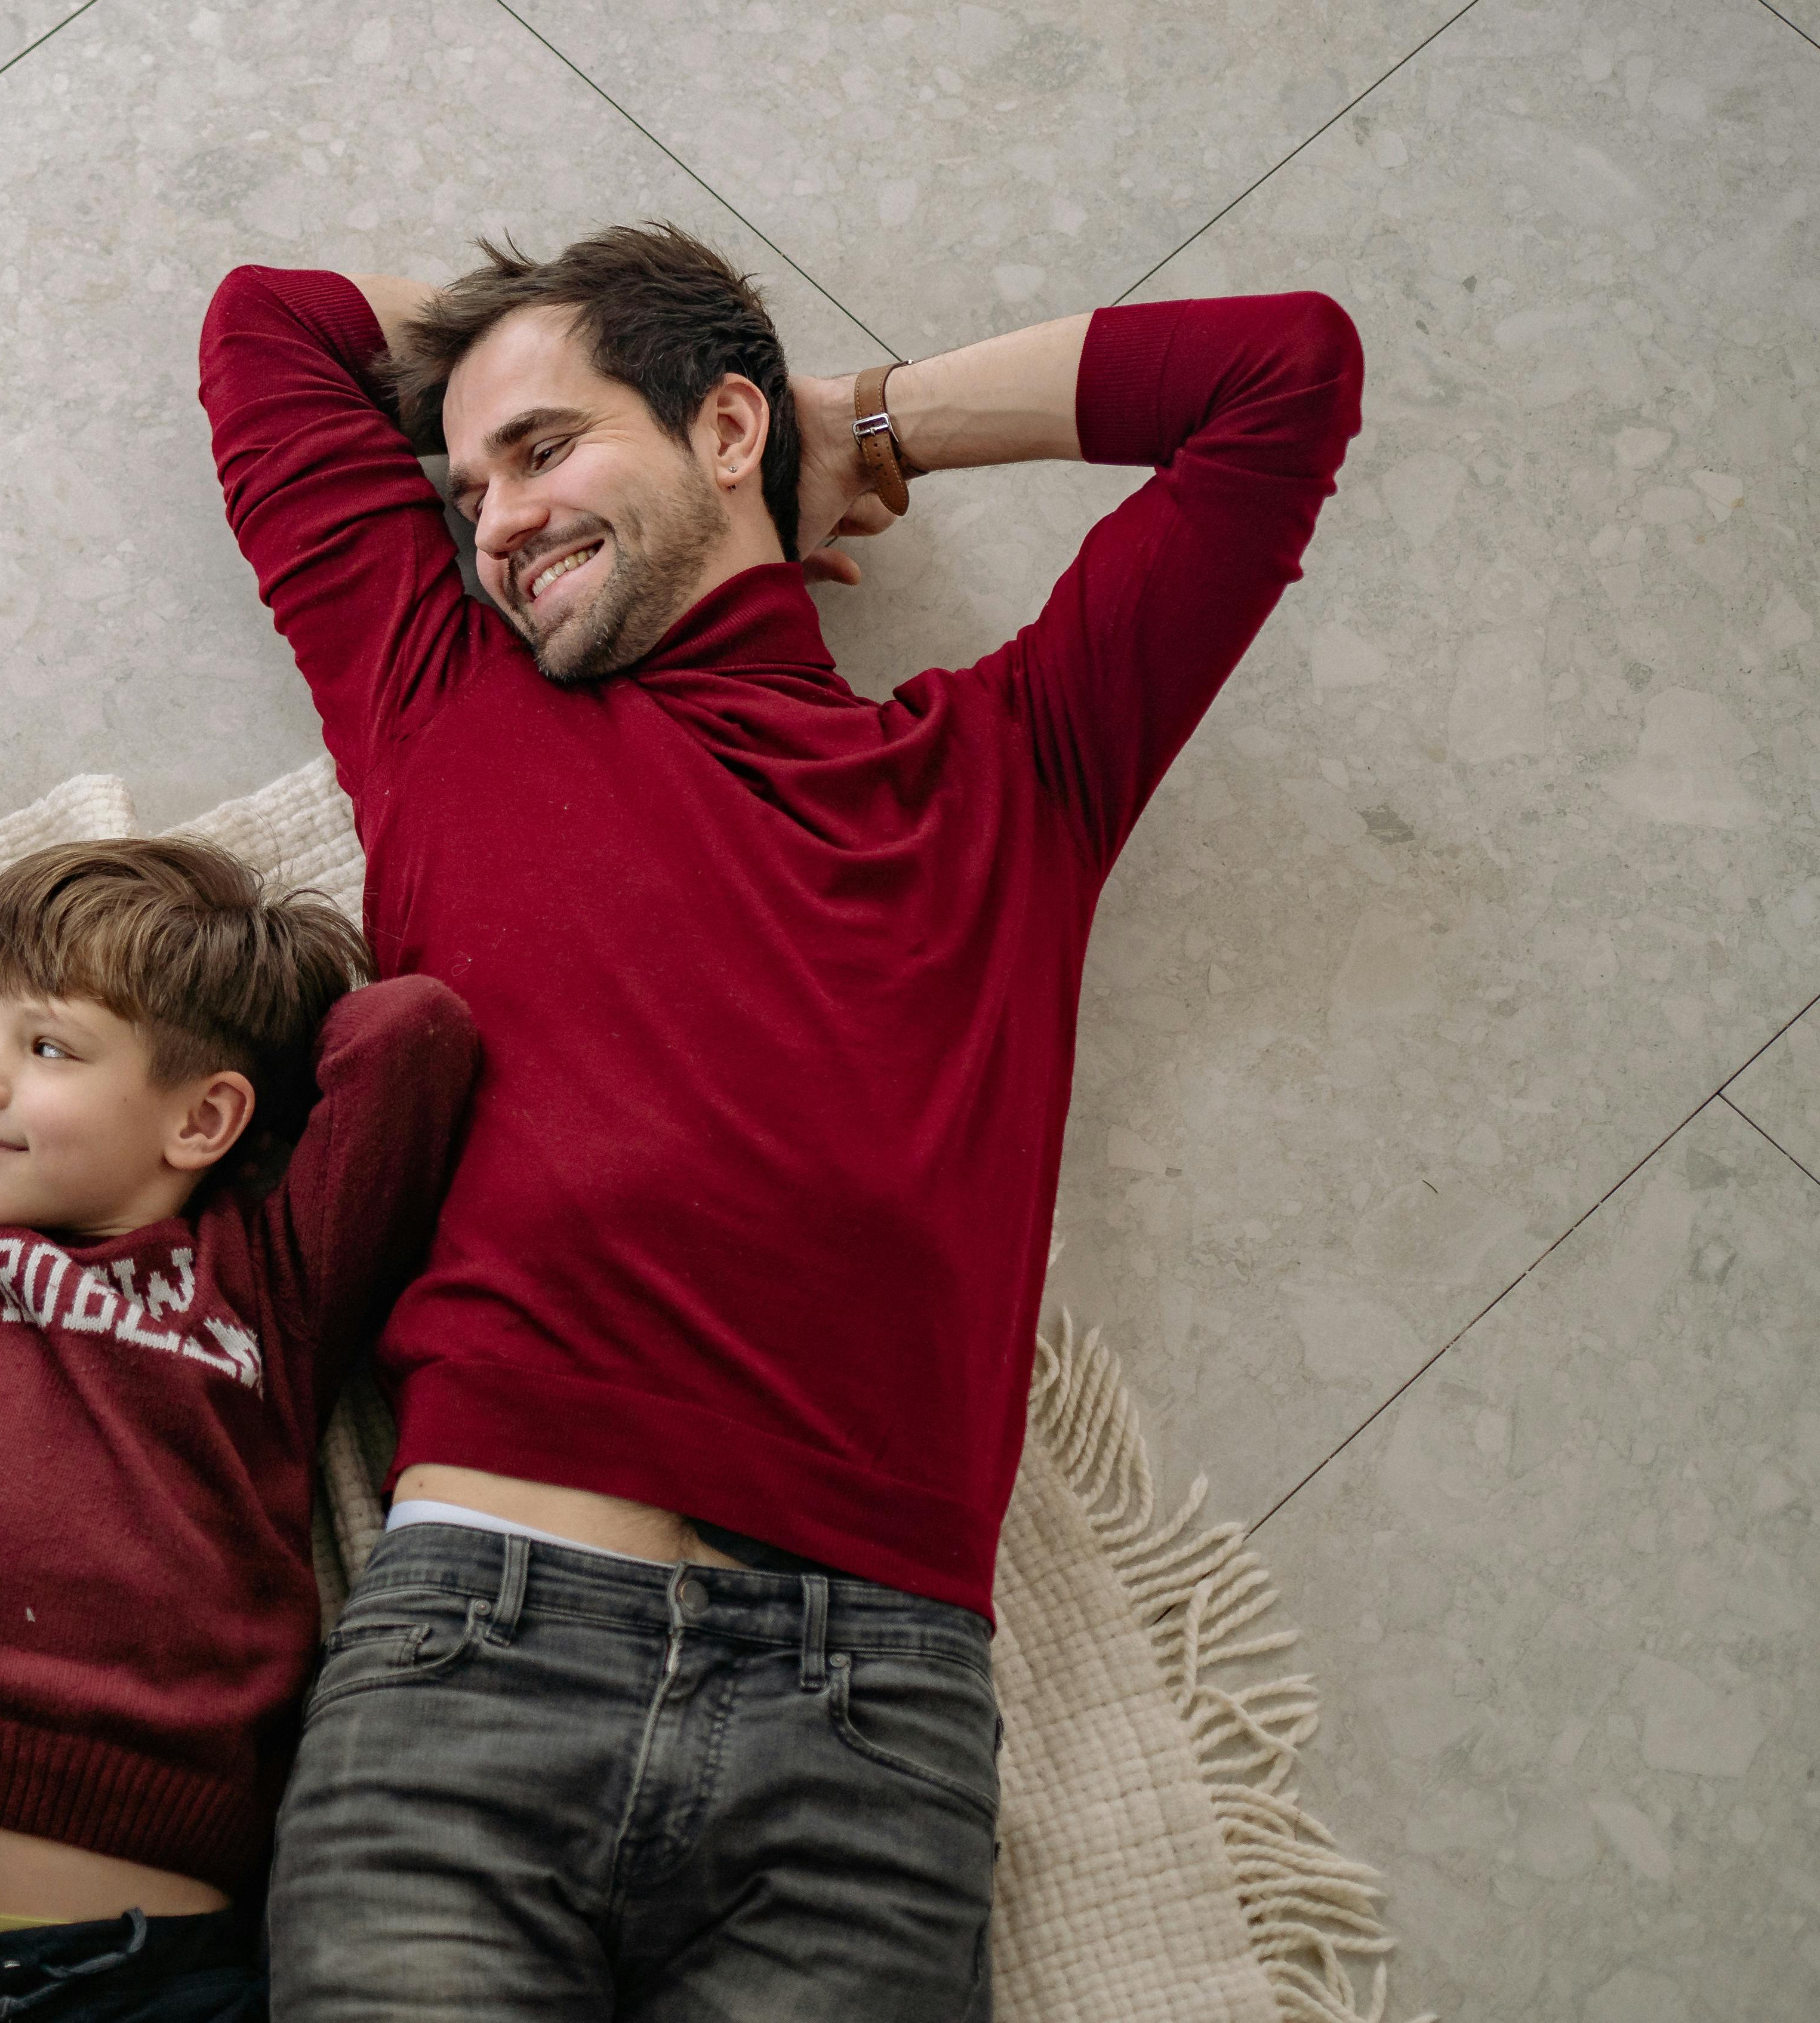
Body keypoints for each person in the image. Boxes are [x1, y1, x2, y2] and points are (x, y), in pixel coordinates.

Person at [199, 225, 1363, 2018]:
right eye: (467, 483)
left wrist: (865, 423)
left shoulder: (1012, 775)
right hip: (478, 1658)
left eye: (545, 446)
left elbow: (1280, 372)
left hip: (869, 1725)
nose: (494, 522)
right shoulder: (439, 702)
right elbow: (270, 325)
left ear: (727, 430)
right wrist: (538, 382)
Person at [0, 841, 478, 2023]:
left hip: (169, 1969)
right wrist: (22, 1012)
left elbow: (413, 1035)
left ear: (205, 1117)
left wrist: (223, 1034)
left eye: (46, 1050)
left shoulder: (270, 1283)